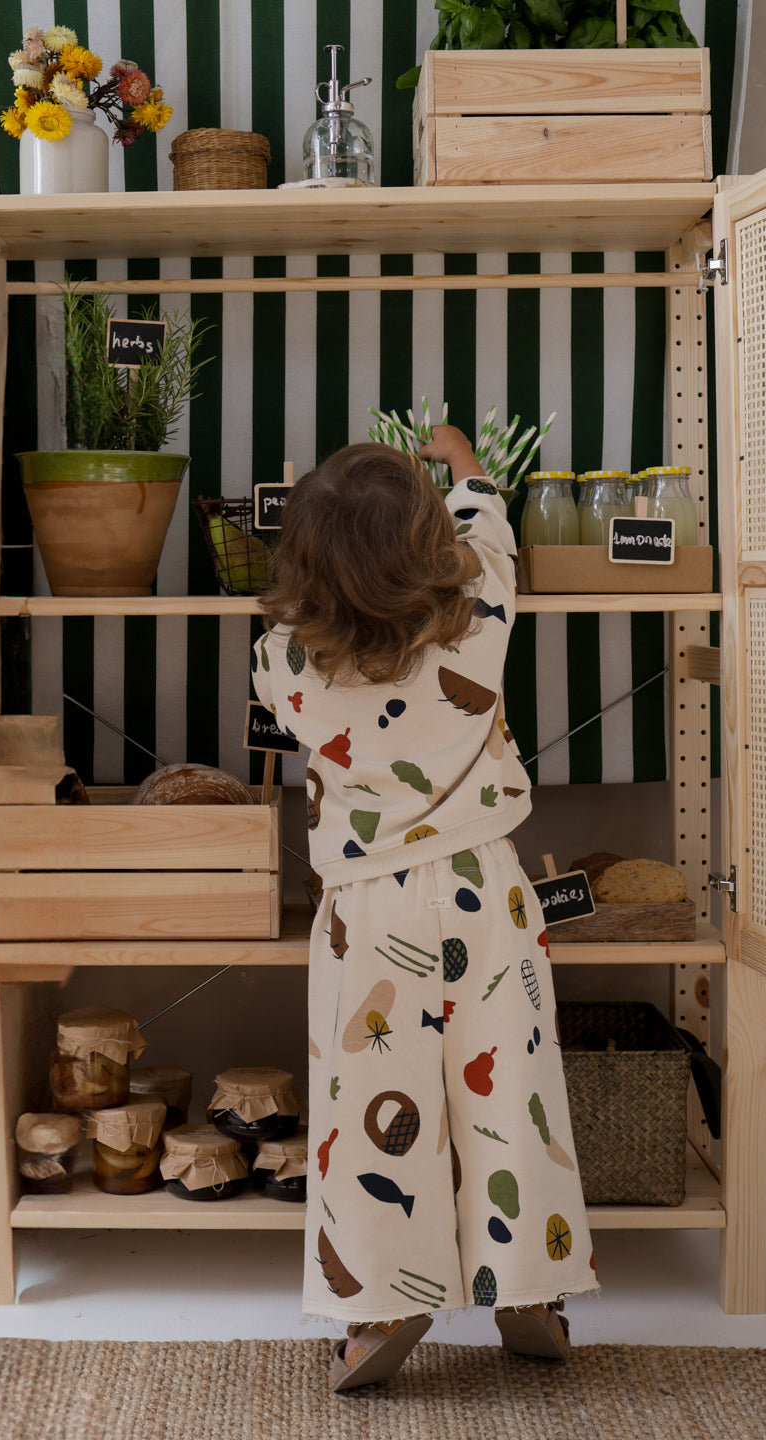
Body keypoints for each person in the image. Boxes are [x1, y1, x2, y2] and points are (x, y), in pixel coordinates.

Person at [251, 429, 597, 1394]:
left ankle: (384, 1305)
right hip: (488, 889)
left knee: (370, 1111)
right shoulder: (482, 616)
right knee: (512, 1093)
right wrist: (464, 468)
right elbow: (492, 531)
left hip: (368, 912)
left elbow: (295, 634)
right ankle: (529, 1283)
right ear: (431, 545)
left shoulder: (284, 664)